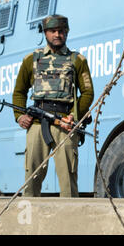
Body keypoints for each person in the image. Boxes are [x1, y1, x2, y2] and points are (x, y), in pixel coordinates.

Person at [12, 14, 94, 197]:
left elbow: (88, 92)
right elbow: (19, 92)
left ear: (67, 32)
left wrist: (75, 116)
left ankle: (70, 221)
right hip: (36, 125)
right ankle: (29, 220)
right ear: (45, 33)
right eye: (53, 31)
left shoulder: (77, 60)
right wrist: (19, 116)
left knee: (68, 179)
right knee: (32, 176)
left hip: (65, 123)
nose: (57, 34)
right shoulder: (31, 59)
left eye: (61, 31)